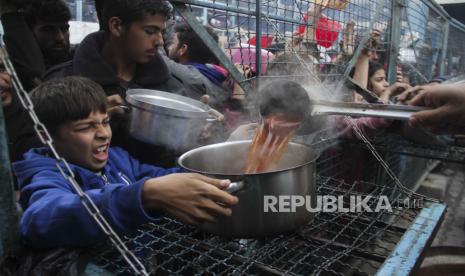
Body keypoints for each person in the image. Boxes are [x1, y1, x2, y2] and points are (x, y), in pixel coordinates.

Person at [13, 76, 238, 248]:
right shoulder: (46, 174)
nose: (103, 134)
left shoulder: (117, 159)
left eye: (105, 122)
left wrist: (226, 158)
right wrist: (144, 195)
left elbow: (165, 177)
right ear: (45, 135)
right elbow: (41, 217)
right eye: (86, 127)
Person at [44, 0, 215, 167]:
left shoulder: (170, 87)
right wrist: (86, 119)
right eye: (150, 31)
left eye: (161, 32)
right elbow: (34, 150)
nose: (160, 41)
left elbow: (173, 157)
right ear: (117, 26)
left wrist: (194, 130)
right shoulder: (61, 82)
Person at [0, 0, 72, 91]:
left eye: (64, 29)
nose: (60, 38)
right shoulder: (9, 71)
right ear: (29, 33)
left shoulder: (78, 59)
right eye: (48, 30)